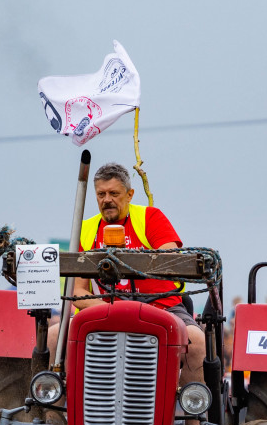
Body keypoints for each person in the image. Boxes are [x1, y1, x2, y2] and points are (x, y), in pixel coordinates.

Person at [46, 162, 206, 386]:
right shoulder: (86, 229)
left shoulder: (150, 218)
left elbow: (171, 260)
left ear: (130, 194)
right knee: (54, 336)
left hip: (162, 308)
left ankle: (194, 417)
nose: (107, 200)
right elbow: (78, 290)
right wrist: (114, 310)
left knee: (196, 340)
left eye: (114, 193)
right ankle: (53, 413)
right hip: (106, 310)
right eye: (101, 194)